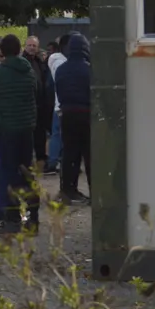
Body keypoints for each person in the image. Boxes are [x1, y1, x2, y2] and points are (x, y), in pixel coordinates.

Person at [0, 34, 38, 234]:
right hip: (27, 128)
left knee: (7, 174)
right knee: (27, 173)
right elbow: (36, 93)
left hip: (6, 130)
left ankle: (13, 219)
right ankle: (33, 218)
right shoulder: (29, 71)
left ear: (2, 52)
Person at [53, 33, 91, 204]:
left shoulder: (61, 69)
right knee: (90, 155)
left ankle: (68, 190)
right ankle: (95, 191)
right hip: (86, 114)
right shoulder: (90, 69)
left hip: (67, 114)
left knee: (69, 154)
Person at [24, 35, 54, 175]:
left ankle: (41, 158)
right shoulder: (23, 62)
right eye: (29, 45)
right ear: (25, 46)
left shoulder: (39, 61)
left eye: (34, 46)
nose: (31, 48)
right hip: (29, 104)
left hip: (41, 104)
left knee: (40, 133)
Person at [44, 34, 70, 175]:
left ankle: (55, 161)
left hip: (57, 104)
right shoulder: (61, 61)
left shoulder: (54, 60)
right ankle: (55, 162)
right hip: (61, 104)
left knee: (57, 134)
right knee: (59, 135)